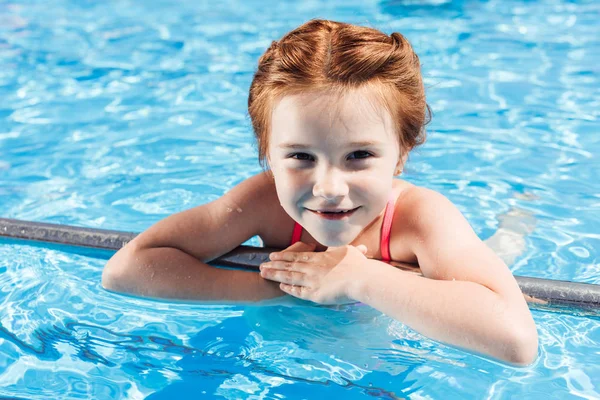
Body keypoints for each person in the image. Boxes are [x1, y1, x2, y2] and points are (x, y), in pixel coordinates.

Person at [102, 19, 538, 365]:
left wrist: (363, 279)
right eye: (300, 157)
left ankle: (515, 223)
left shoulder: (419, 218)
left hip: (399, 343)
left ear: (401, 155)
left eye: (359, 155)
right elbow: (127, 270)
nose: (329, 188)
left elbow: (515, 342)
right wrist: (279, 288)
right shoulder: (263, 200)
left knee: (500, 252)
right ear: (267, 153)